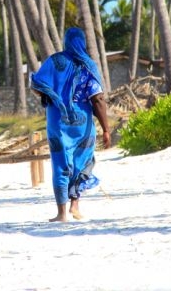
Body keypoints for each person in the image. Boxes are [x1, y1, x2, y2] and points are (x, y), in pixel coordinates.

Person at [30, 27, 112, 222]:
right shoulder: (88, 65)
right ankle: (75, 205)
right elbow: (98, 99)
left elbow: (37, 85)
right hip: (83, 125)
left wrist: (51, 96)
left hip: (58, 123)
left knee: (60, 164)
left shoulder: (54, 61)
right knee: (81, 162)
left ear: (65, 41)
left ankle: (61, 213)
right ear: (83, 42)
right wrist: (106, 129)